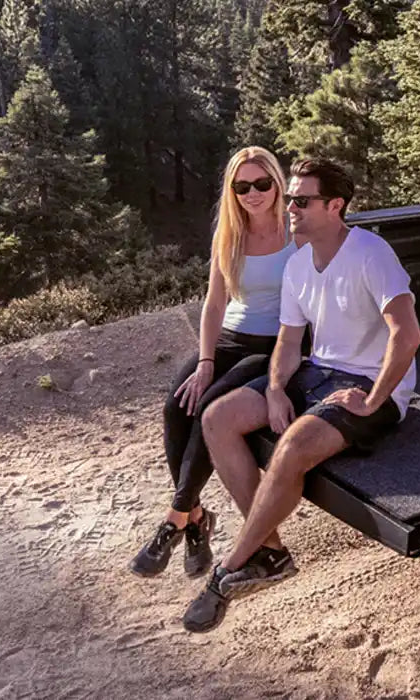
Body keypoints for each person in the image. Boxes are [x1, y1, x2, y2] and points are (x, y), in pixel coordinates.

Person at [182, 159, 420, 632]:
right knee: (217, 418)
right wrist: (274, 388)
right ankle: (270, 551)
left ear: (335, 206)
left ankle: (228, 570)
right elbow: (290, 341)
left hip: (367, 383)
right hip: (317, 370)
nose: (290, 207)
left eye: (302, 200)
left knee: (291, 446)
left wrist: (374, 400)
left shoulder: (371, 253)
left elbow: (408, 334)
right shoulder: (297, 264)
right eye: (290, 198)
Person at [130, 147, 298, 580]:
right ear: (232, 191)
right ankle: (196, 516)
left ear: (277, 183)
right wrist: (205, 360)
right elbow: (215, 303)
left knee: (209, 409)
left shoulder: (296, 231)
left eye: (261, 183)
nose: (252, 193)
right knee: (177, 404)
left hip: (273, 342)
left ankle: (177, 516)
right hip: (228, 339)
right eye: (242, 186)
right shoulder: (230, 233)